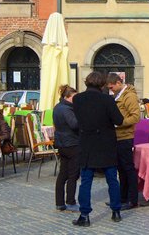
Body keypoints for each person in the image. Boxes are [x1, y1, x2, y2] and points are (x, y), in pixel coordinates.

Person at [73, 71, 124, 227]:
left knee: (86, 181)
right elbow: (119, 120)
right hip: (106, 143)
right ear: (102, 84)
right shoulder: (107, 99)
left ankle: (84, 214)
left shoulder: (77, 99)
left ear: (87, 82)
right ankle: (116, 212)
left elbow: (78, 120)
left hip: (87, 143)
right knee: (112, 180)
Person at [107, 73, 140, 211]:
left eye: (112, 87)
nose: (111, 90)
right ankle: (122, 197)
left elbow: (135, 117)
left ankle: (133, 200)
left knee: (128, 168)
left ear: (119, 83)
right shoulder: (118, 95)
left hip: (125, 136)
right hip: (117, 136)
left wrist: (119, 123)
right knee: (121, 169)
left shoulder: (129, 96)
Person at [53, 84, 80, 212]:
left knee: (63, 173)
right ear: (67, 97)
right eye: (75, 97)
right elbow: (74, 124)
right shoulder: (67, 109)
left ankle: (59, 202)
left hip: (62, 143)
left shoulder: (58, 107)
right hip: (72, 143)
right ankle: (70, 201)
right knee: (73, 174)